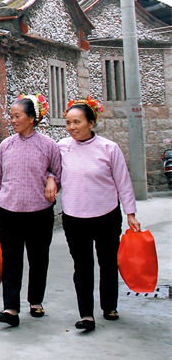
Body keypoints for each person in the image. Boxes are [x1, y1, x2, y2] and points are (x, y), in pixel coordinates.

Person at [56, 97, 140, 332]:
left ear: (91, 123)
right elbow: (52, 173)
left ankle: (109, 306)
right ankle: (86, 315)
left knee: (108, 263)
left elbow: (123, 182)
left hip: (106, 215)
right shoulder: (62, 147)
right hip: (74, 217)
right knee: (82, 266)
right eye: (68, 122)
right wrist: (51, 182)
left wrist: (130, 213)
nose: (72, 127)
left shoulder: (109, 148)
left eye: (77, 122)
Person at [0, 94, 61, 328]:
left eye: (17, 116)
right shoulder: (6, 145)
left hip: (39, 211)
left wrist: (53, 179)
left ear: (32, 118)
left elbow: (59, 171)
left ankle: (36, 301)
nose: (12, 120)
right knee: (11, 260)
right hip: (9, 210)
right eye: (11, 116)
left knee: (38, 258)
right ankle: (11, 308)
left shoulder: (49, 146)